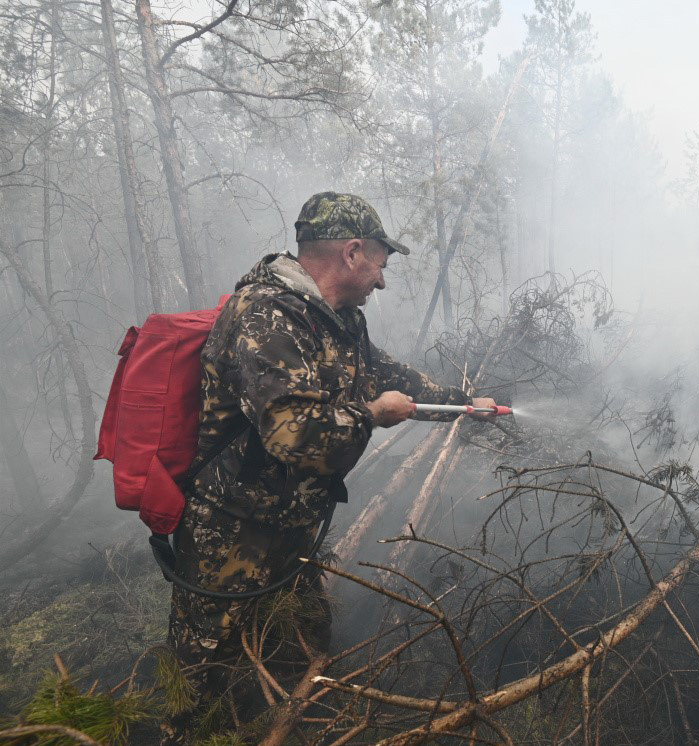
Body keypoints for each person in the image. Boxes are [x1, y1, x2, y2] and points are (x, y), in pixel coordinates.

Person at [159, 191, 496, 744]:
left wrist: (463, 402)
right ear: (353, 252)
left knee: (302, 656)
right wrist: (372, 416)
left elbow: (389, 375)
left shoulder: (339, 321)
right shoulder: (265, 317)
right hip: (229, 538)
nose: (382, 282)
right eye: (381, 267)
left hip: (291, 532)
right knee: (203, 684)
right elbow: (292, 433)